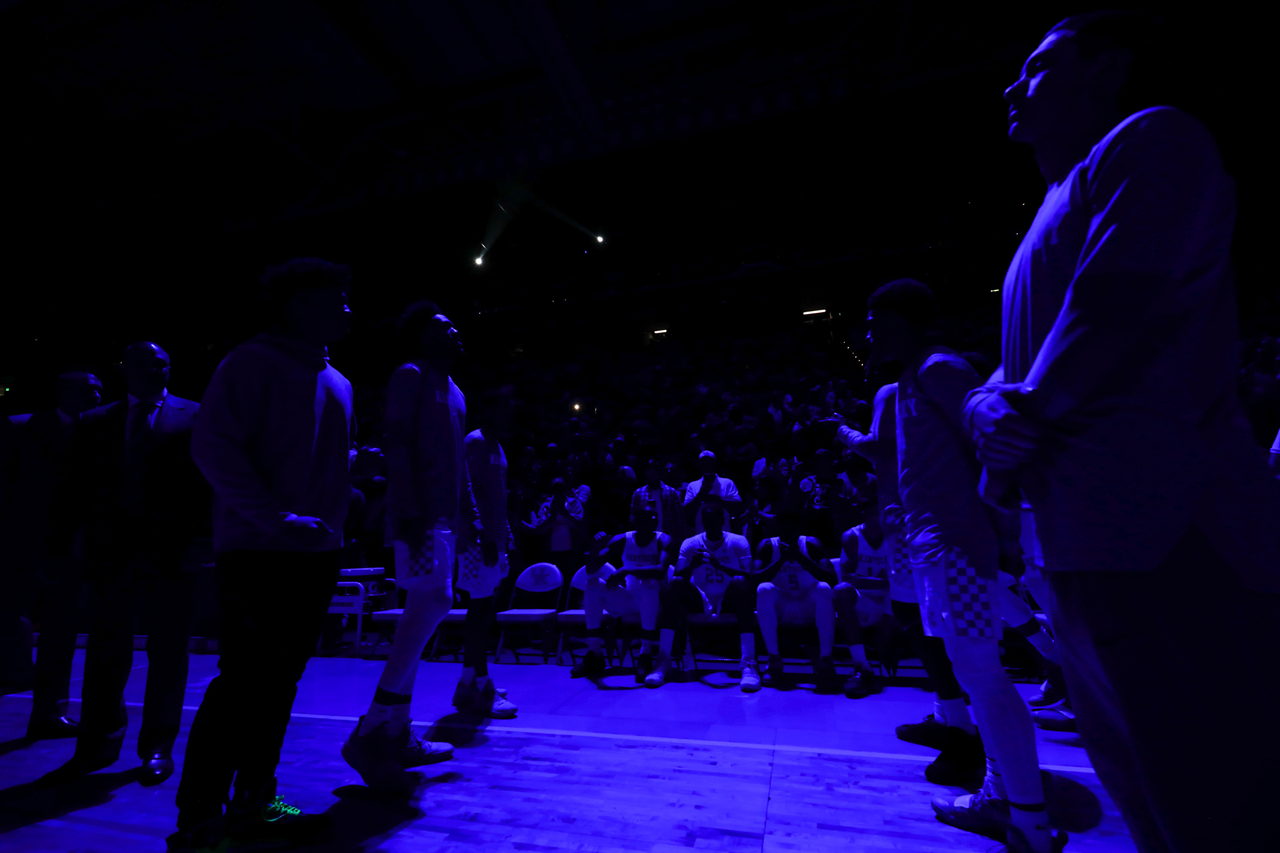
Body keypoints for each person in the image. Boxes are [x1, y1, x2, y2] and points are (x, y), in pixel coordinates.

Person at [964, 12, 1280, 852]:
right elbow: (1010, 370)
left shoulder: (1154, 139)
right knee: (1150, 797)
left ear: (1106, 73)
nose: (1011, 85)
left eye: (1035, 68)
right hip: (1076, 547)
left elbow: (1112, 307)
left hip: (1171, 532)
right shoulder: (1049, 207)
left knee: (1220, 798)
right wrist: (984, 408)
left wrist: (1016, 415)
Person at [170, 259, 357, 851]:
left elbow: (300, 460)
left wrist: (354, 469)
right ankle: (198, 815)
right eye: (338, 299)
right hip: (257, 551)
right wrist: (277, 519)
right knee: (243, 682)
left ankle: (256, 798)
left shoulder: (340, 380)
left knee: (280, 684)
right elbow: (213, 447)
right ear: (300, 306)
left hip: (316, 551)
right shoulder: (250, 363)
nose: (349, 309)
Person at [865, 278, 1056, 853]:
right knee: (977, 678)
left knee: (985, 680)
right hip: (937, 550)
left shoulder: (939, 368)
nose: (868, 332)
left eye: (876, 320)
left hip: (954, 550)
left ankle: (1027, 823)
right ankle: (1006, 799)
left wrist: (1002, 539)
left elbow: (995, 443)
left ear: (903, 321)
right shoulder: (909, 380)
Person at [45, 344, 207, 788]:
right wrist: (63, 548)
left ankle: (157, 746)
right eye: (144, 364)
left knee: (168, 654)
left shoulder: (196, 416)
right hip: (110, 555)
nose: (153, 370)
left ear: (169, 369)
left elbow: (209, 487)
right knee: (104, 652)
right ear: (127, 371)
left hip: (173, 555)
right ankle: (97, 743)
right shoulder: (97, 421)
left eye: (160, 363)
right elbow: (71, 492)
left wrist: (203, 541)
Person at [341, 300, 461, 789]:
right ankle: (371, 727)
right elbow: (397, 444)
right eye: (443, 326)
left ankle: (397, 732)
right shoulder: (409, 375)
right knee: (434, 602)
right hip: (418, 517)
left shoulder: (453, 389)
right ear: (422, 338)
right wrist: (408, 513)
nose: (454, 330)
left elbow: (457, 466)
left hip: (446, 519)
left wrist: (469, 518)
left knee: (422, 610)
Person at [1, 371, 102, 736]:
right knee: (12, 628)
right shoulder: (19, 429)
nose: (94, 395)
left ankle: (49, 713)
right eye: (86, 389)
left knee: (60, 637)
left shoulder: (100, 432)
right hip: (20, 553)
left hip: (72, 554)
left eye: (98, 390)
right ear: (62, 392)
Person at [453, 388, 519, 718]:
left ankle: (467, 682)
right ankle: (482, 685)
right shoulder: (474, 442)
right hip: (478, 542)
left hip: (495, 540)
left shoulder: (499, 446)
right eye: (504, 407)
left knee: (484, 611)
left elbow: (498, 498)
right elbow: (466, 491)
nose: (509, 415)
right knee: (478, 613)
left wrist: (505, 534)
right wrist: (481, 533)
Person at [663, 504, 760, 691]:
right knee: (674, 585)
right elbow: (677, 575)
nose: (710, 524)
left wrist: (720, 565)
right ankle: (664, 660)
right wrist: (692, 565)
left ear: (722, 521)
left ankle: (749, 663)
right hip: (701, 598)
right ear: (702, 522)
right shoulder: (691, 543)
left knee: (740, 582)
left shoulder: (738, 541)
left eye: (714, 520)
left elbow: (750, 575)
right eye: (706, 521)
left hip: (728, 597)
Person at [571, 508, 673, 685]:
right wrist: (596, 548)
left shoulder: (662, 539)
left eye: (655, 519)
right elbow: (591, 569)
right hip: (629, 600)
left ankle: (645, 654)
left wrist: (627, 569)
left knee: (649, 583)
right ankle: (594, 653)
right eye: (647, 519)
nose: (653, 522)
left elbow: (661, 570)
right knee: (593, 584)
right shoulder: (622, 540)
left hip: (653, 601)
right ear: (636, 521)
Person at [752, 510, 841, 691]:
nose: (787, 533)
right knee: (764, 589)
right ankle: (774, 659)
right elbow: (753, 579)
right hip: (782, 607)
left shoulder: (810, 544)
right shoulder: (767, 546)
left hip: (808, 606)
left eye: (791, 529)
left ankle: (825, 659)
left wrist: (799, 557)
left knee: (823, 589)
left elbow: (832, 579)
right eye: (783, 529)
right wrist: (782, 560)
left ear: (799, 529)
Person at [833, 509, 892, 698]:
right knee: (841, 591)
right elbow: (848, 578)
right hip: (862, 600)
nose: (878, 515)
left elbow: (902, 579)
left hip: (890, 601)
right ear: (865, 514)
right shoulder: (852, 536)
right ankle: (862, 666)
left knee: (906, 594)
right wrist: (884, 582)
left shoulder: (895, 535)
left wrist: (882, 583)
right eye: (874, 511)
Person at [682, 450, 742, 534]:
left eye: (709, 462)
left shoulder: (727, 483)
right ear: (699, 465)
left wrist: (718, 500)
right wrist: (700, 495)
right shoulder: (692, 485)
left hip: (725, 533)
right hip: (701, 534)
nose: (706, 465)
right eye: (703, 462)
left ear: (715, 464)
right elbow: (686, 512)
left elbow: (738, 506)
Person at [631, 458, 688, 545]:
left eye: (654, 470)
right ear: (645, 472)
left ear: (659, 472)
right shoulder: (638, 493)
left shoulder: (671, 492)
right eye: (649, 470)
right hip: (645, 540)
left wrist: (681, 541)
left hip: (667, 539)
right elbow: (633, 518)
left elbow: (679, 520)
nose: (652, 473)